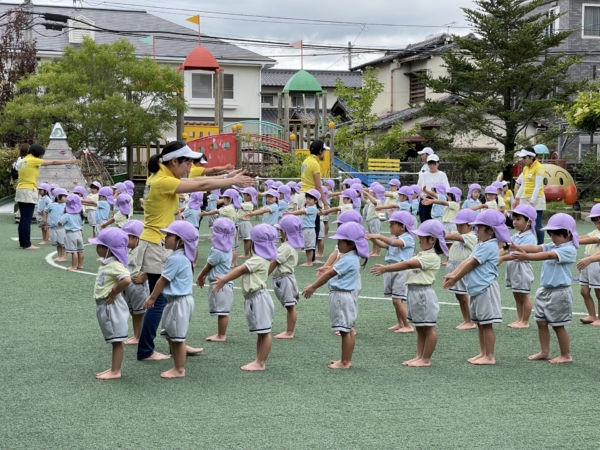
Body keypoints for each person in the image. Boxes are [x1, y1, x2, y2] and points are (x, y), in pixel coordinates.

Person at [136, 140, 256, 362]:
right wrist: (229, 180)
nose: (189, 167)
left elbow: (197, 180)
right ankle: (146, 350)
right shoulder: (162, 181)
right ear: (173, 161)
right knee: (160, 300)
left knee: (168, 298)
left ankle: (176, 343)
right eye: (186, 163)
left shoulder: (163, 175)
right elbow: (199, 186)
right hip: (156, 245)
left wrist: (224, 178)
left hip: (157, 243)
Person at [371, 220, 446, 367]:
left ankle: (426, 359)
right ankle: (419, 356)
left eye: (422, 237)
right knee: (420, 328)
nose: (419, 239)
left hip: (423, 294)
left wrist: (387, 268)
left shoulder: (431, 257)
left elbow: (408, 264)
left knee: (429, 328)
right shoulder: (422, 253)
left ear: (432, 239)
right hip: (415, 292)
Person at [443, 210, 510, 365]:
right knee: (480, 323)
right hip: (478, 289)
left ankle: (490, 356)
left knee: (486, 324)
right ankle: (483, 353)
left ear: (491, 230)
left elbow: (472, 264)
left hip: (485, 289)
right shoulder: (482, 245)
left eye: (479, 228)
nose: (476, 231)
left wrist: (455, 277)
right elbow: (467, 261)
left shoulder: (489, 246)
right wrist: (453, 274)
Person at [511, 213, 577, 364]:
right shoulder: (554, 244)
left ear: (568, 234)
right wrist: (518, 247)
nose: (553, 238)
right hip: (545, 290)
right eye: (551, 234)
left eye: (556, 235)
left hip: (560, 292)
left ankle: (566, 355)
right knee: (541, 322)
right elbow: (535, 247)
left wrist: (525, 257)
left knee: (558, 325)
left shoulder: (569, 249)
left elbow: (547, 255)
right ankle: (545, 351)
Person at [211, 224, 279, 371]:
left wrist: (224, 279)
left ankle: (260, 362)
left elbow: (241, 269)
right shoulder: (262, 259)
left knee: (264, 332)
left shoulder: (257, 259)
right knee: (261, 332)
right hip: (254, 298)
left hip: (258, 298)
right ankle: (258, 359)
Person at [303, 222, 369, 369]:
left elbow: (330, 275)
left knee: (345, 331)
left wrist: (313, 287)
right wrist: (329, 267)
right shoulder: (353, 257)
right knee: (349, 329)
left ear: (351, 244)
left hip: (341, 298)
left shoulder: (347, 259)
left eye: (340, 241)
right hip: (347, 297)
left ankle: (345, 362)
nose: (337, 244)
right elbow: (335, 270)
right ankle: (346, 359)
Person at [143, 221, 199, 378]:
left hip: (178, 302)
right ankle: (177, 362)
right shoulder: (181, 256)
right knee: (170, 334)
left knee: (177, 337)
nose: (165, 237)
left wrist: (151, 298)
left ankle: (179, 369)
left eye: (169, 235)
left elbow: (162, 280)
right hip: (176, 301)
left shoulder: (176, 259)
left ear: (180, 241)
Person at [14, 143, 79, 249]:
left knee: (23, 219)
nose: (42, 157)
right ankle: (27, 244)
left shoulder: (23, 160)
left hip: (20, 189)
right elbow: (53, 162)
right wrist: (69, 161)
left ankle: (23, 243)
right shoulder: (33, 160)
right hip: (29, 190)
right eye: (41, 155)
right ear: (37, 154)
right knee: (27, 219)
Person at [90, 228, 131, 380]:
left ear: (108, 249)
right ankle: (114, 368)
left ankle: (116, 371)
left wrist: (114, 292)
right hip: (105, 306)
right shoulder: (109, 263)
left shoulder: (115, 265)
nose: (96, 248)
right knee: (114, 339)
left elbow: (126, 279)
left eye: (99, 245)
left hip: (111, 306)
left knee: (117, 340)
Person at [367, 211, 415, 334]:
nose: (389, 226)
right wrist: (373, 239)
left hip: (401, 270)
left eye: (392, 224)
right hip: (391, 268)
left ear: (402, 226)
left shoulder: (408, 238)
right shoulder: (394, 238)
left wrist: (378, 236)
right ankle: (401, 323)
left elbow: (394, 243)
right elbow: (384, 245)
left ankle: (408, 325)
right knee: (395, 299)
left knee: (397, 299)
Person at [196, 217, 236, 342]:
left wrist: (199, 277)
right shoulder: (227, 248)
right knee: (222, 311)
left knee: (223, 312)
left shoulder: (217, 251)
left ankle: (221, 335)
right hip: (223, 284)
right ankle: (220, 334)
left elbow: (207, 266)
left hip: (220, 285)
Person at [498, 204, 537, 328]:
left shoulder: (530, 237)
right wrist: (494, 256)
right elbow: (505, 249)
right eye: (513, 219)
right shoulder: (515, 236)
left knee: (524, 296)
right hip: (513, 268)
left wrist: (502, 258)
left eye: (518, 219)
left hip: (522, 269)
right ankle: (519, 319)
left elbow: (517, 255)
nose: (514, 222)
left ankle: (524, 321)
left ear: (529, 222)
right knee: (516, 295)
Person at [270, 215, 304, 339]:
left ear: (285, 232)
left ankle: (289, 332)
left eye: (280, 231)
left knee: (290, 306)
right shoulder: (290, 246)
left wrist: (263, 275)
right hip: (285, 278)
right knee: (290, 306)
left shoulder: (286, 247)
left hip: (284, 279)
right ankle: (289, 330)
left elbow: (274, 262)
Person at [444, 209, 478, 330]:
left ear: (471, 225)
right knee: (459, 295)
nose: (458, 227)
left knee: (463, 296)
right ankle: (466, 320)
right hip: (454, 267)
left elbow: (453, 236)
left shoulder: (471, 236)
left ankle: (470, 321)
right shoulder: (462, 235)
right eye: (457, 224)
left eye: (461, 225)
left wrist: (436, 234)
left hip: (462, 269)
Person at [299, 140, 327, 263]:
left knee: (310, 225)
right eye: (324, 150)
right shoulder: (315, 164)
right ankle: (311, 258)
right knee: (313, 227)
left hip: (303, 194)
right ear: (320, 151)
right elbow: (318, 185)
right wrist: (325, 203)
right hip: (310, 196)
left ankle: (312, 256)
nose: (324, 152)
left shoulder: (306, 161)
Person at [121, 220, 148, 345]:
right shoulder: (128, 250)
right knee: (133, 312)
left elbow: (154, 266)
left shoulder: (142, 250)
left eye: (127, 237)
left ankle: (139, 336)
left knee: (140, 312)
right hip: (128, 286)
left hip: (138, 286)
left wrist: (143, 278)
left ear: (136, 238)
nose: (125, 240)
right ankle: (136, 335)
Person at [514, 147, 546, 244]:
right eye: (522, 158)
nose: (522, 160)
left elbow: (537, 186)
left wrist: (532, 202)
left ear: (531, 157)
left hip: (536, 199)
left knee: (537, 224)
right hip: (524, 198)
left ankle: (540, 246)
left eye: (524, 158)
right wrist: (516, 198)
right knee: (525, 224)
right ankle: (526, 243)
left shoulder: (539, 168)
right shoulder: (525, 168)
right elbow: (523, 185)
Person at [283, 189, 320, 267]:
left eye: (310, 199)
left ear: (316, 201)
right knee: (305, 246)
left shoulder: (313, 208)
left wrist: (290, 213)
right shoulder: (306, 207)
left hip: (309, 230)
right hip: (304, 229)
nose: (308, 200)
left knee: (309, 247)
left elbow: (301, 212)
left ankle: (309, 262)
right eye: (307, 198)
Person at [577, 204, 600, 325]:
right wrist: (570, 238)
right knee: (584, 290)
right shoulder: (596, 231)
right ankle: (592, 315)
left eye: (599, 222)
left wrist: (573, 241)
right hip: (588, 261)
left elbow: (594, 240)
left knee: (599, 292)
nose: (597, 225)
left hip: (596, 263)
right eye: (595, 222)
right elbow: (587, 236)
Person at [417, 154, 449, 223]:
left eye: (434, 164)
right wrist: (423, 196)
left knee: (437, 223)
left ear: (438, 163)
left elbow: (447, 190)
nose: (432, 166)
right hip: (425, 200)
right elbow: (418, 189)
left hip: (438, 201)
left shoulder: (442, 175)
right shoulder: (423, 175)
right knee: (425, 222)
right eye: (430, 164)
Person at [58, 194, 85, 271]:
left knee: (74, 251)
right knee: (80, 250)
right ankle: (80, 265)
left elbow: (60, 222)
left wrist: (60, 223)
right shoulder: (80, 214)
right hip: (79, 233)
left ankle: (73, 266)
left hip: (71, 234)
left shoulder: (67, 215)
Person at [45, 188, 68, 262]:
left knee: (63, 242)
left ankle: (64, 256)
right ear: (58, 197)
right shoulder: (51, 205)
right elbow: (45, 211)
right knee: (57, 242)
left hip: (62, 228)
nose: (66, 198)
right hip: (53, 227)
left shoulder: (66, 205)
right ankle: (59, 256)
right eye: (64, 196)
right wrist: (45, 221)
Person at [363, 185, 385, 257]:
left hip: (375, 220)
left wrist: (367, 193)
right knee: (373, 237)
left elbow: (374, 201)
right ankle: (373, 251)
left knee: (376, 236)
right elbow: (365, 201)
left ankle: (377, 252)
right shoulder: (373, 200)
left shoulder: (378, 201)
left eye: (372, 192)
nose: (370, 192)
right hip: (371, 220)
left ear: (376, 193)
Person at [238, 188, 256, 258]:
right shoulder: (246, 203)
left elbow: (238, 205)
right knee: (245, 239)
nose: (243, 196)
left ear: (249, 196)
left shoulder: (249, 204)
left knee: (247, 239)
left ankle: (246, 254)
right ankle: (247, 253)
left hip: (245, 222)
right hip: (242, 222)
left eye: (244, 194)